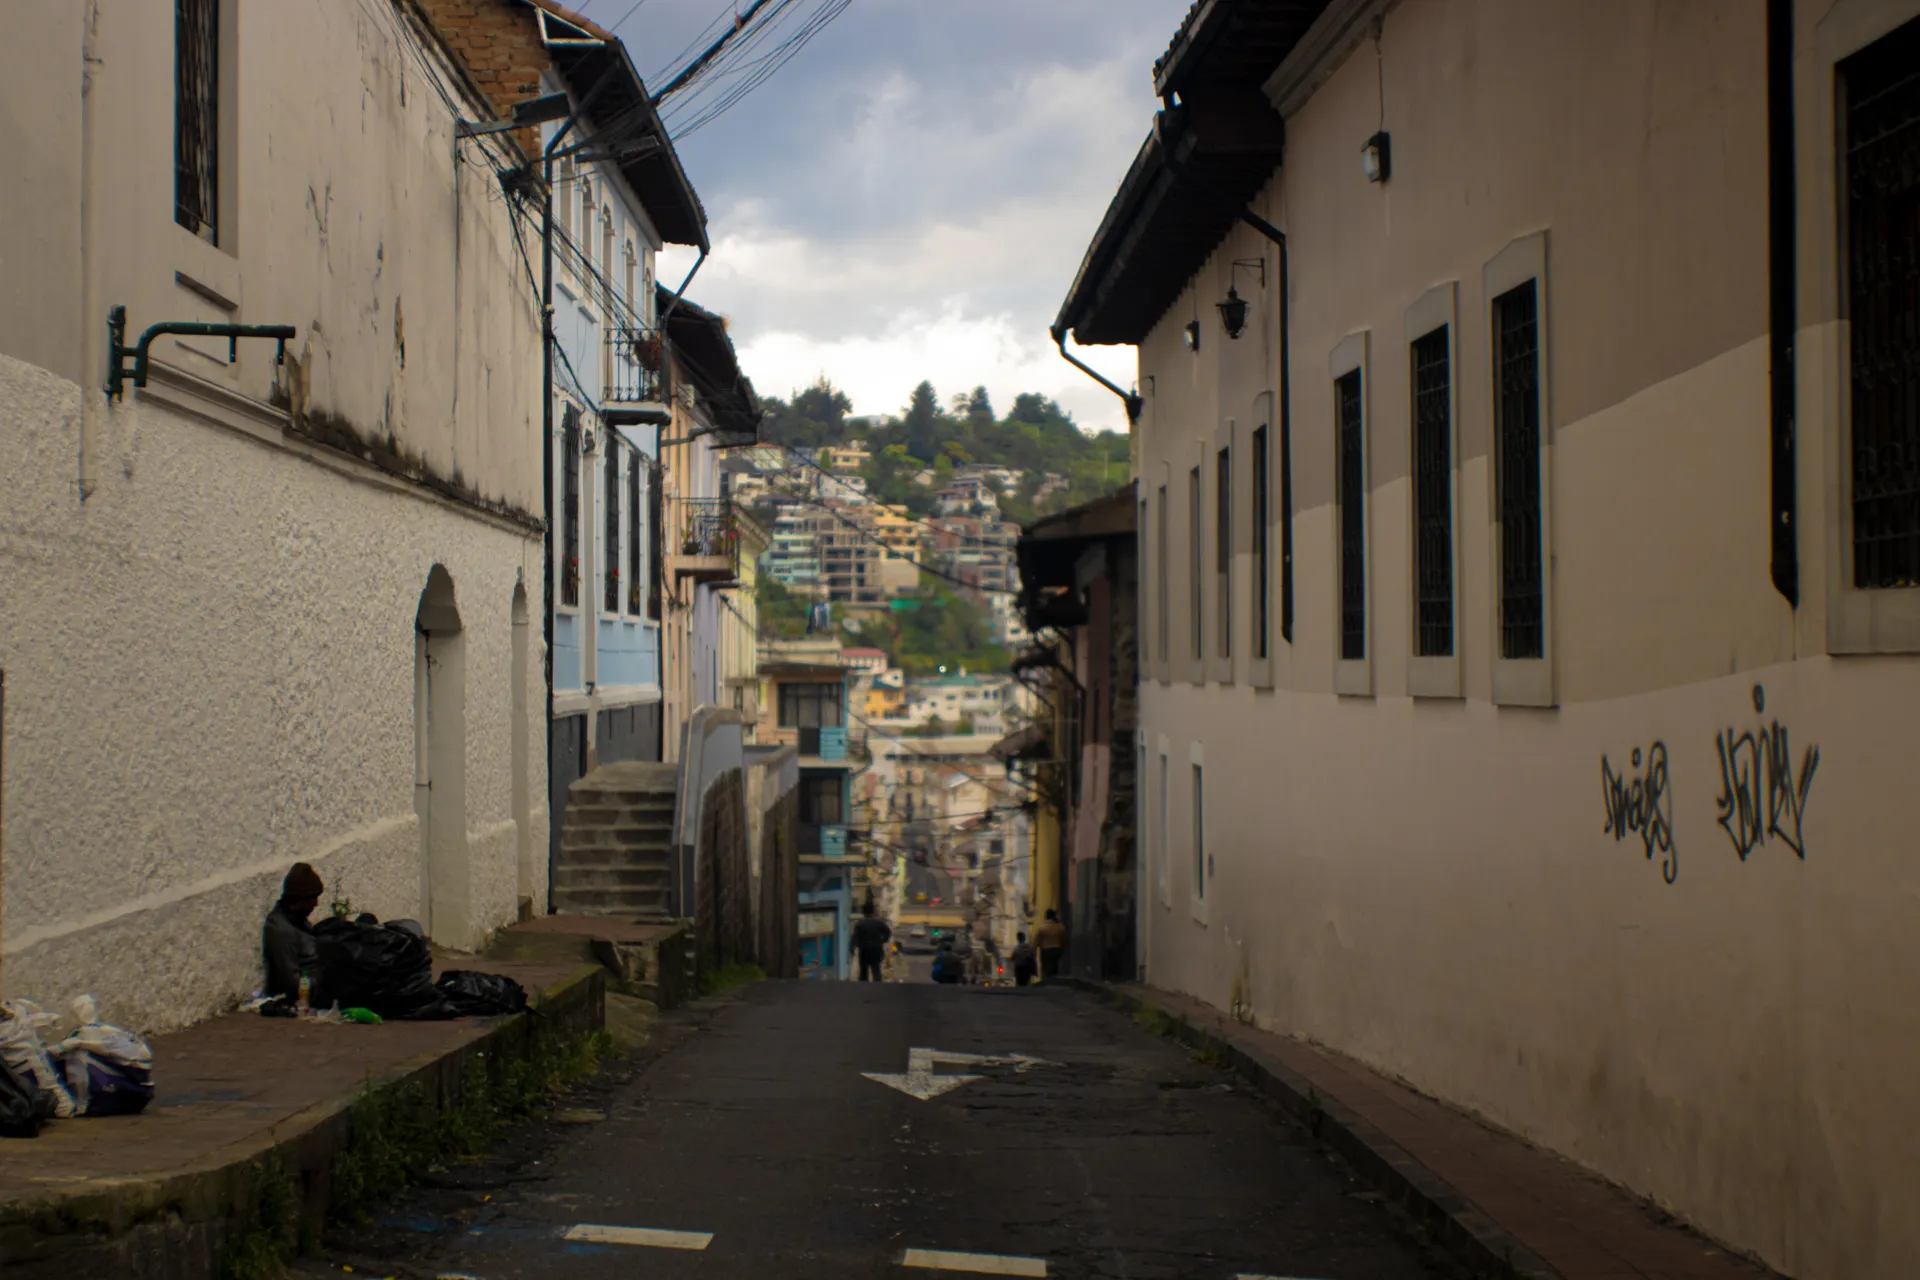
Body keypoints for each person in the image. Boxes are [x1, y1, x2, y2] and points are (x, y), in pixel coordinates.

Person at [262, 862, 324, 1001]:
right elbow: (292, 981)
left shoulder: (298, 920)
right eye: (313, 899)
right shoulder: (281, 930)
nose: (316, 904)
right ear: (300, 899)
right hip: (309, 993)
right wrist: (325, 982)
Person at [852, 902, 892, 982]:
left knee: (863, 972)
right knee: (876, 971)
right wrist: (883, 940)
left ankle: (864, 988)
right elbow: (888, 932)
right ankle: (877, 988)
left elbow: (855, 937)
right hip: (876, 949)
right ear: (873, 911)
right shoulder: (878, 922)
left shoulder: (859, 924)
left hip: (864, 950)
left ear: (863, 912)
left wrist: (853, 947)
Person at [1034, 908, 1067, 981]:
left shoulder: (1042, 928)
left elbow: (1036, 942)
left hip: (1046, 951)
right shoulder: (1060, 927)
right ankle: (1054, 980)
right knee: (1055, 967)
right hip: (1057, 950)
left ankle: (1046, 981)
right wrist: (1062, 950)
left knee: (1045, 969)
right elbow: (1064, 940)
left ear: (1046, 916)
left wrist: (1034, 952)